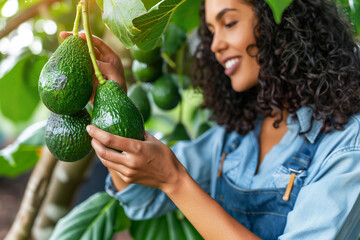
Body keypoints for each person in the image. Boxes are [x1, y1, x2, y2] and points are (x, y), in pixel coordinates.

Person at [62, 0, 360, 239]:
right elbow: (141, 197)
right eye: (211, 30)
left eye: (229, 23)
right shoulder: (236, 134)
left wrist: (175, 180)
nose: (215, 44)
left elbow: (167, 181)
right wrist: (111, 102)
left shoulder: (348, 143)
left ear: (284, 23)